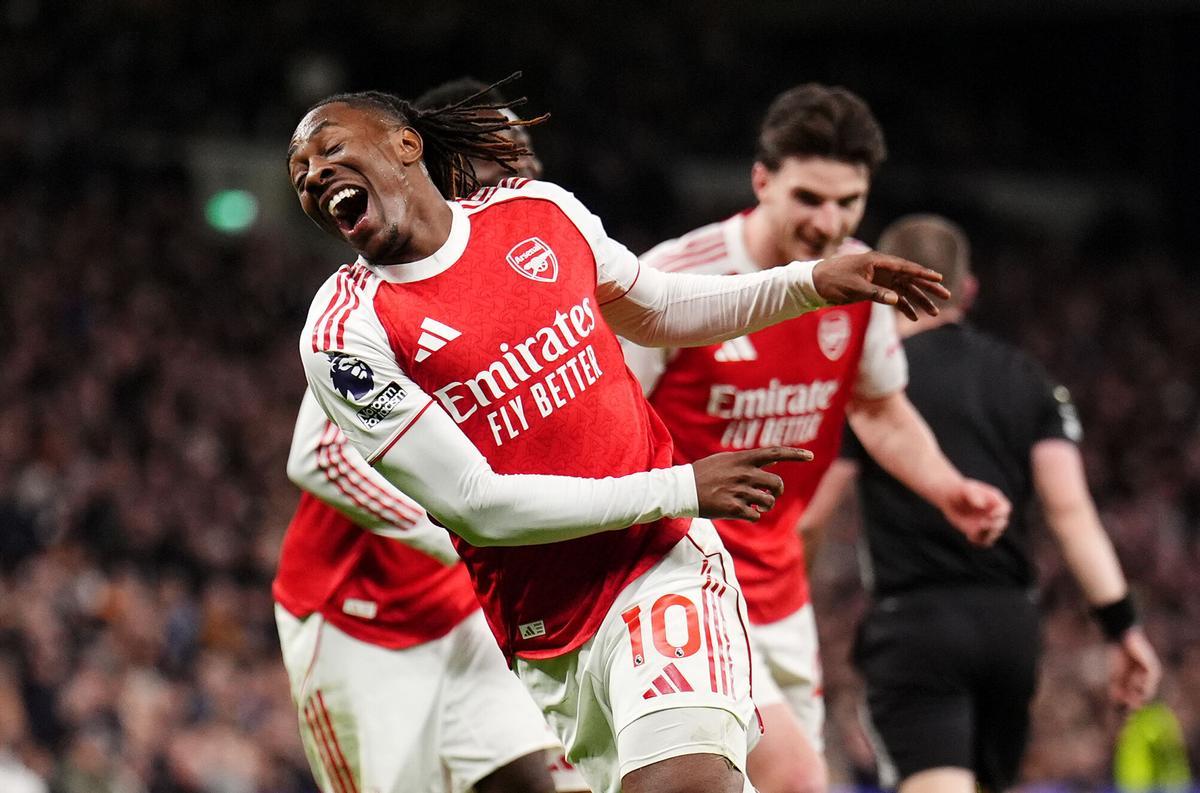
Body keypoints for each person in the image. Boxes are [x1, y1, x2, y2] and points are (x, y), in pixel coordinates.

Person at [286, 82, 951, 793]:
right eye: (300, 174)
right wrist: (682, 485)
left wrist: (809, 283)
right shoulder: (346, 333)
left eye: (328, 151)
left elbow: (658, 307)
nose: (315, 174)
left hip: (658, 560)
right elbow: (476, 503)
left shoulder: (539, 214)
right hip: (525, 624)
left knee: (709, 779)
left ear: (406, 145)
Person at [620, 84, 1010, 793]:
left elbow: (881, 410)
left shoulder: (861, 278)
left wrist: (947, 486)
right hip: (678, 571)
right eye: (809, 197)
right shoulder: (676, 276)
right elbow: (601, 422)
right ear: (762, 181)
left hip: (780, 589)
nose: (829, 221)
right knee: (794, 774)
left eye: (848, 201)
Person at [273, 79, 586, 793]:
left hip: (465, 616)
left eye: (527, 159)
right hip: (362, 621)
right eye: (501, 164)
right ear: (443, 173)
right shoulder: (383, 298)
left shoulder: (527, 272)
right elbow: (316, 456)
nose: (524, 176)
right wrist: (462, 528)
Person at [809, 214, 1162, 793]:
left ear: (881, 292)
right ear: (967, 290)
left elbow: (815, 510)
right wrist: (1123, 628)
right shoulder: (1028, 379)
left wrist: (783, 611)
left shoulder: (871, 384)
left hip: (916, 624)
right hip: (1009, 626)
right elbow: (1072, 514)